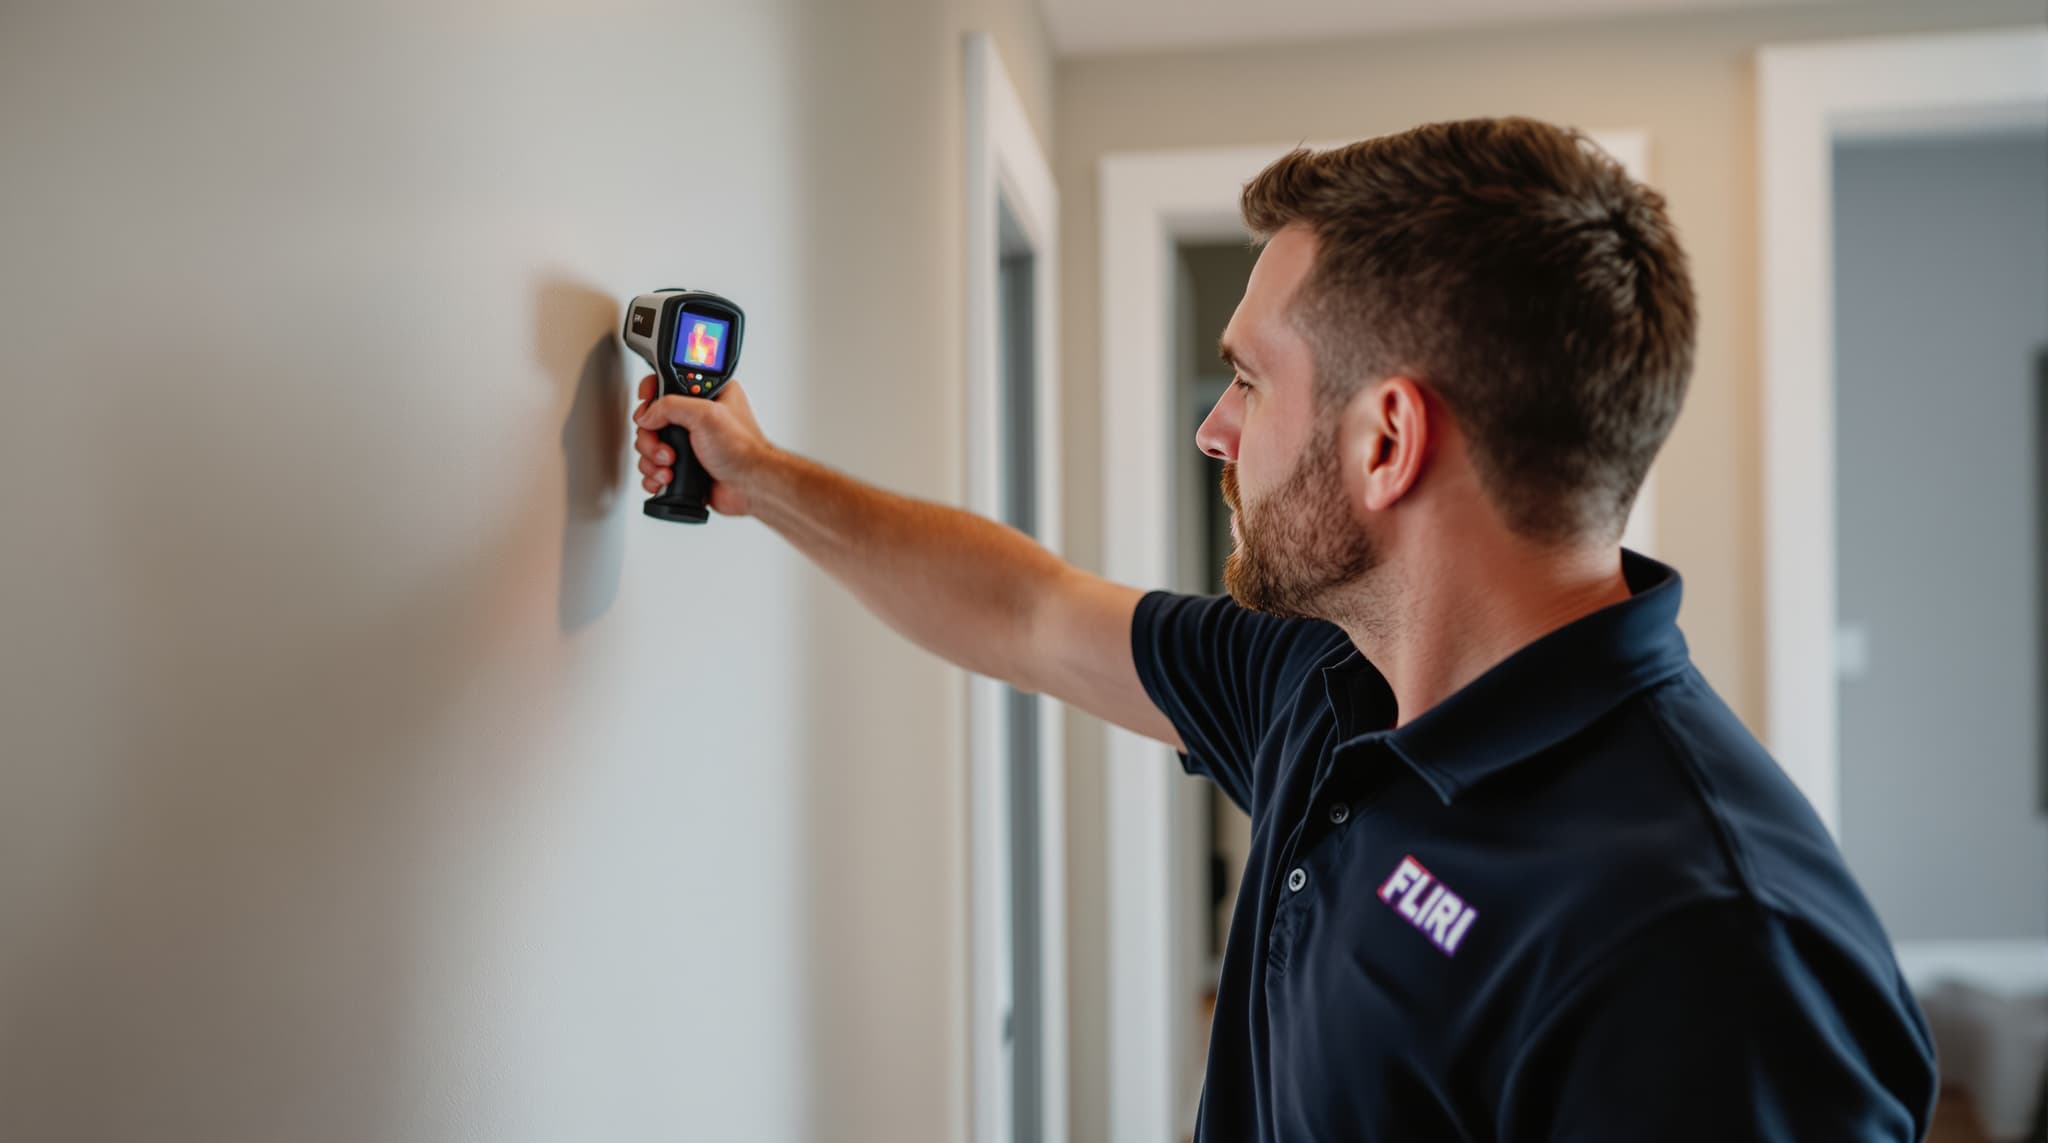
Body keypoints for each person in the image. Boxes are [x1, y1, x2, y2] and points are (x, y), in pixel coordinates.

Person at [632, 117, 1937, 1141]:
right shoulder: (1327, 683)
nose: (1213, 429)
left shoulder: (1713, 947)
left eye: (1249, 380)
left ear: (1386, 440)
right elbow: (1027, 611)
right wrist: (757, 473)